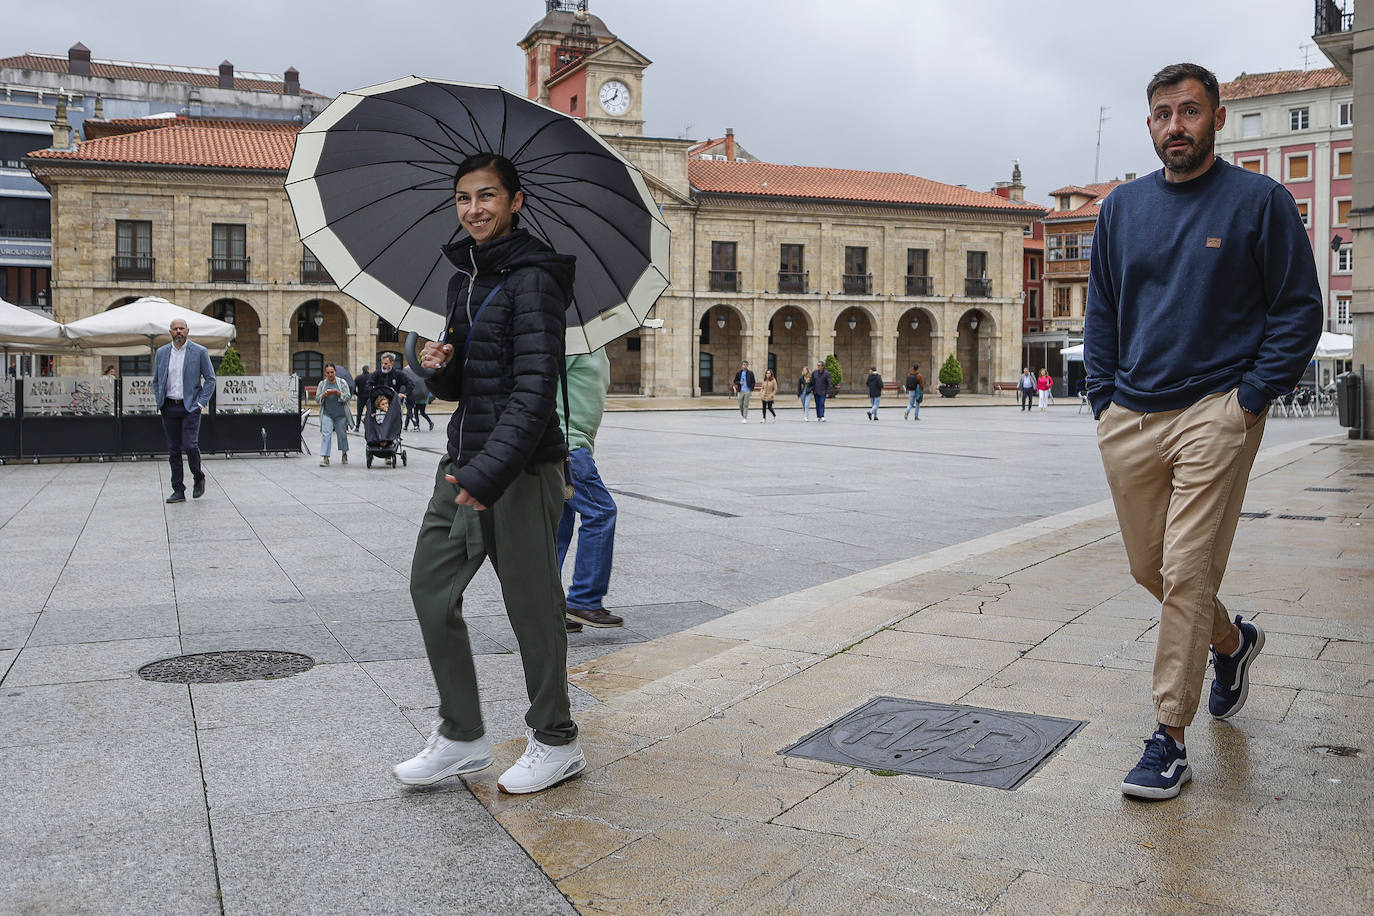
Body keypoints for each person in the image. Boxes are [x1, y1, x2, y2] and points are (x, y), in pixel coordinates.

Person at [1084, 63, 1322, 801]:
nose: (1175, 126)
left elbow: (1298, 309)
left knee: (1187, 570)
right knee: (1149, 567)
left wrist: (1248, 401)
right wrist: (1102, 398)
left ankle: (1169, 737)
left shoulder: (1260, 202)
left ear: (1217, 119)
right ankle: (1231, 641)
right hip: (1131, 413)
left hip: (1217, 411)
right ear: (1149, 125)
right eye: (1163, 114)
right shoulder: (1121, 209)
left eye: (1190, 111)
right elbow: (1103, 308)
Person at [394, 152, 584, 796]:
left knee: (533, 608)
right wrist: (440, 365)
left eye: (487, 196)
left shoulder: (537, 282)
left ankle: (556, 740)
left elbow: (533, 393)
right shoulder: (464, 280)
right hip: (463, 462)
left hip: (520, 471)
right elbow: (463, 387)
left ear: (515, 201)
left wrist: (489, 475)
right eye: (463, 198)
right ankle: (461, 734)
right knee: (430, 589)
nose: (473, 209)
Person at [554, 348, 623, 631]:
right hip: (567, 445)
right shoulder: (570, 342)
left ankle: (548, 608)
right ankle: (584, 600)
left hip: (574, 444)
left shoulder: (594, 343)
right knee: (601, 512)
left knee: (558, 528)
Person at [153, 318, 216, 503]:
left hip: (190, 407)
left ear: (187, 331)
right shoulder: (162, 352)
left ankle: (198, 477)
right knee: (173, 450)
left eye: (181, 328)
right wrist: (159, 400)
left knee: (190, 446)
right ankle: (178, 490)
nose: (178, 331)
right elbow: (156, 380)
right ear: (170, 332)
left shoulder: (199, 351)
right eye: (175, 329)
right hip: (169, 406)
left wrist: (201, 403)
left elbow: (210, 379)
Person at [316, 363, 351, 466]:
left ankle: (344, 453)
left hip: (340, 414)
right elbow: (317, 399)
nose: (330, 374)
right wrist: (324, 395)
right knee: (326, 434)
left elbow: (347, 396)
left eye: (332, 372)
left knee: (342, 435)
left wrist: (338, 393)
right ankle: (325, 457)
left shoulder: (342, 382)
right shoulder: (322, 384)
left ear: (335, 372)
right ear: (325, 373)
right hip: (327, 413)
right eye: (328, 373)